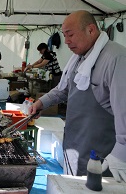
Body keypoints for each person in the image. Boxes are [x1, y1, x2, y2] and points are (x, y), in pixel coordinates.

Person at [29, 10, 126, 180]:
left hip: (100, 153)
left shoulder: (116, 58)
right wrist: (41, 103)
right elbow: (64, 89)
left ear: (90, 30)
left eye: (70, 35)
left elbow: (124, 108)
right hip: (74, 144)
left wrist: (121, 153)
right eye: (64, 35)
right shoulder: (79, 58)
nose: (66, 41)